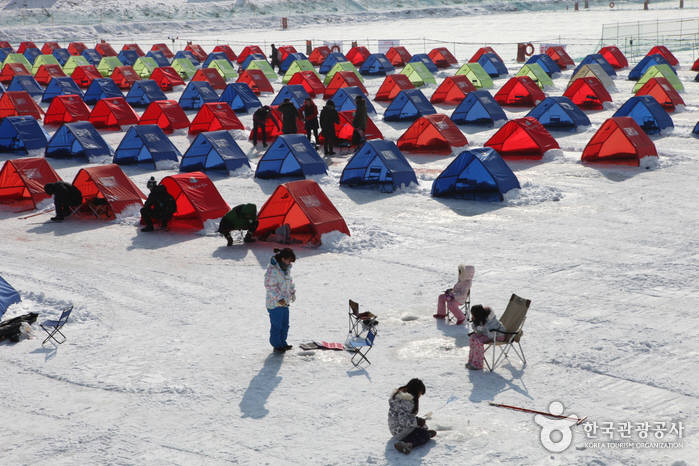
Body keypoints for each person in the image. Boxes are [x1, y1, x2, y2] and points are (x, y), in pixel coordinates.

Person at [388, 378, 437, 455]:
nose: (419, 396)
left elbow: (405, 416)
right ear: (416, 391)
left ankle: (424, 433)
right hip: (400, 430)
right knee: (423, 434)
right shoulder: (407, 401)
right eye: (420, 394)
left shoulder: (400, 397)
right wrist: (417, 421)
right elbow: (403, 420)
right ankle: (406, 444)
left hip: (395, 428)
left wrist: (418, 421)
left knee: (423, 428)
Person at [264, 248, 296, 353]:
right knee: (277, 326)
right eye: (289, 260)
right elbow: (269, 287)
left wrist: (292, 292)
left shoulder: (286, 269)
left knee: (285, 325)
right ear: (283, 258)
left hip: (285, 303)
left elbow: (289, 282)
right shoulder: (272, 270)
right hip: (274, 304)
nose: (290, 262)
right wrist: (279, 299)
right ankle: (277, 345)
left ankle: (283, 342)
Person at [466, 304, 506, 371]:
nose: (472, 316)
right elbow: (479, 331)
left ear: (478, 314)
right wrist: (476, 326)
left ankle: (478, 365)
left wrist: (482, 329)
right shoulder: (481, 318)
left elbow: (491, 334)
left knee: (478, 341)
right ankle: (472, 361)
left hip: (498, 335)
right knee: (472, 337)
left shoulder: (491, 321)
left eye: (473, 314)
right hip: (487, 334)